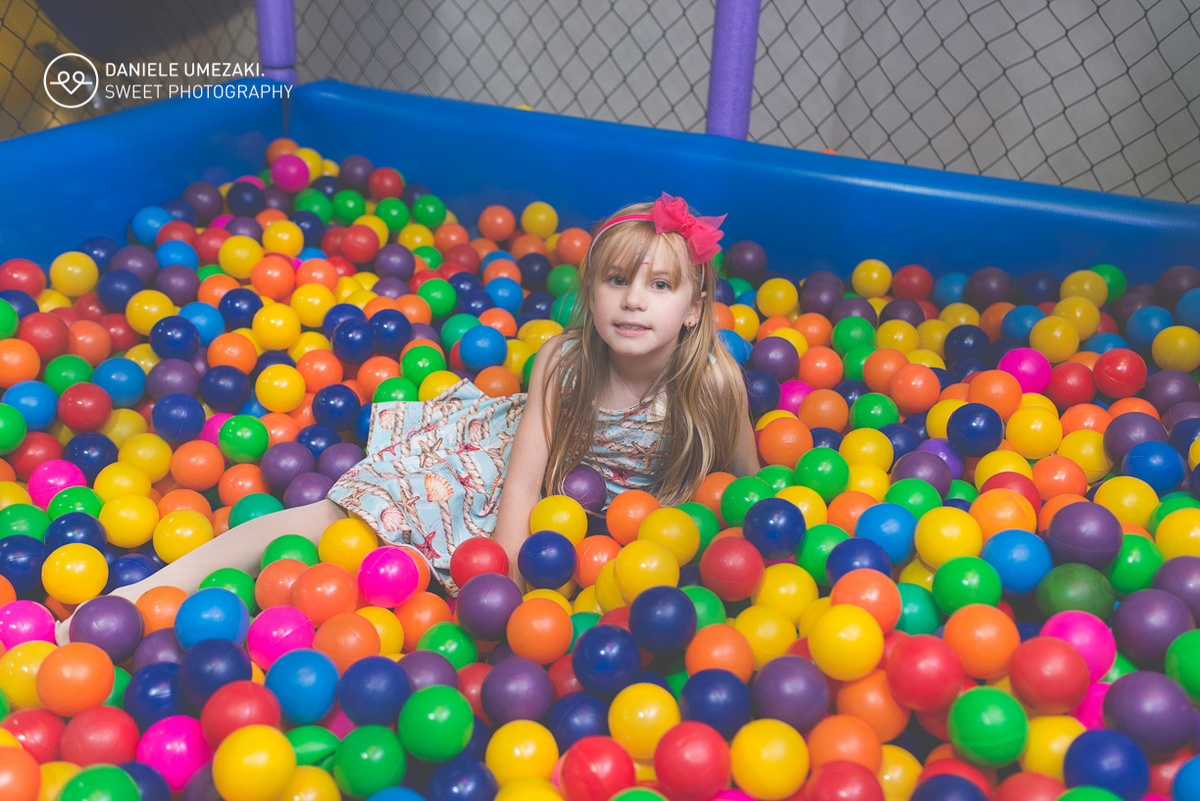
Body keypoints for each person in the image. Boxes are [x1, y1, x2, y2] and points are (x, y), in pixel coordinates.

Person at [58, 192, 759, 642]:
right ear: (590, 292)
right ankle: (134, 597)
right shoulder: (564, 363)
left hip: (625, 536)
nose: (635, 301)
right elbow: (518, 487)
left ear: (694, 306)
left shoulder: (716, 382)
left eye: (660, 285)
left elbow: (751, 496)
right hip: (495, 469)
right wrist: (505, 593)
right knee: (338, 519)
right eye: (617, 280)